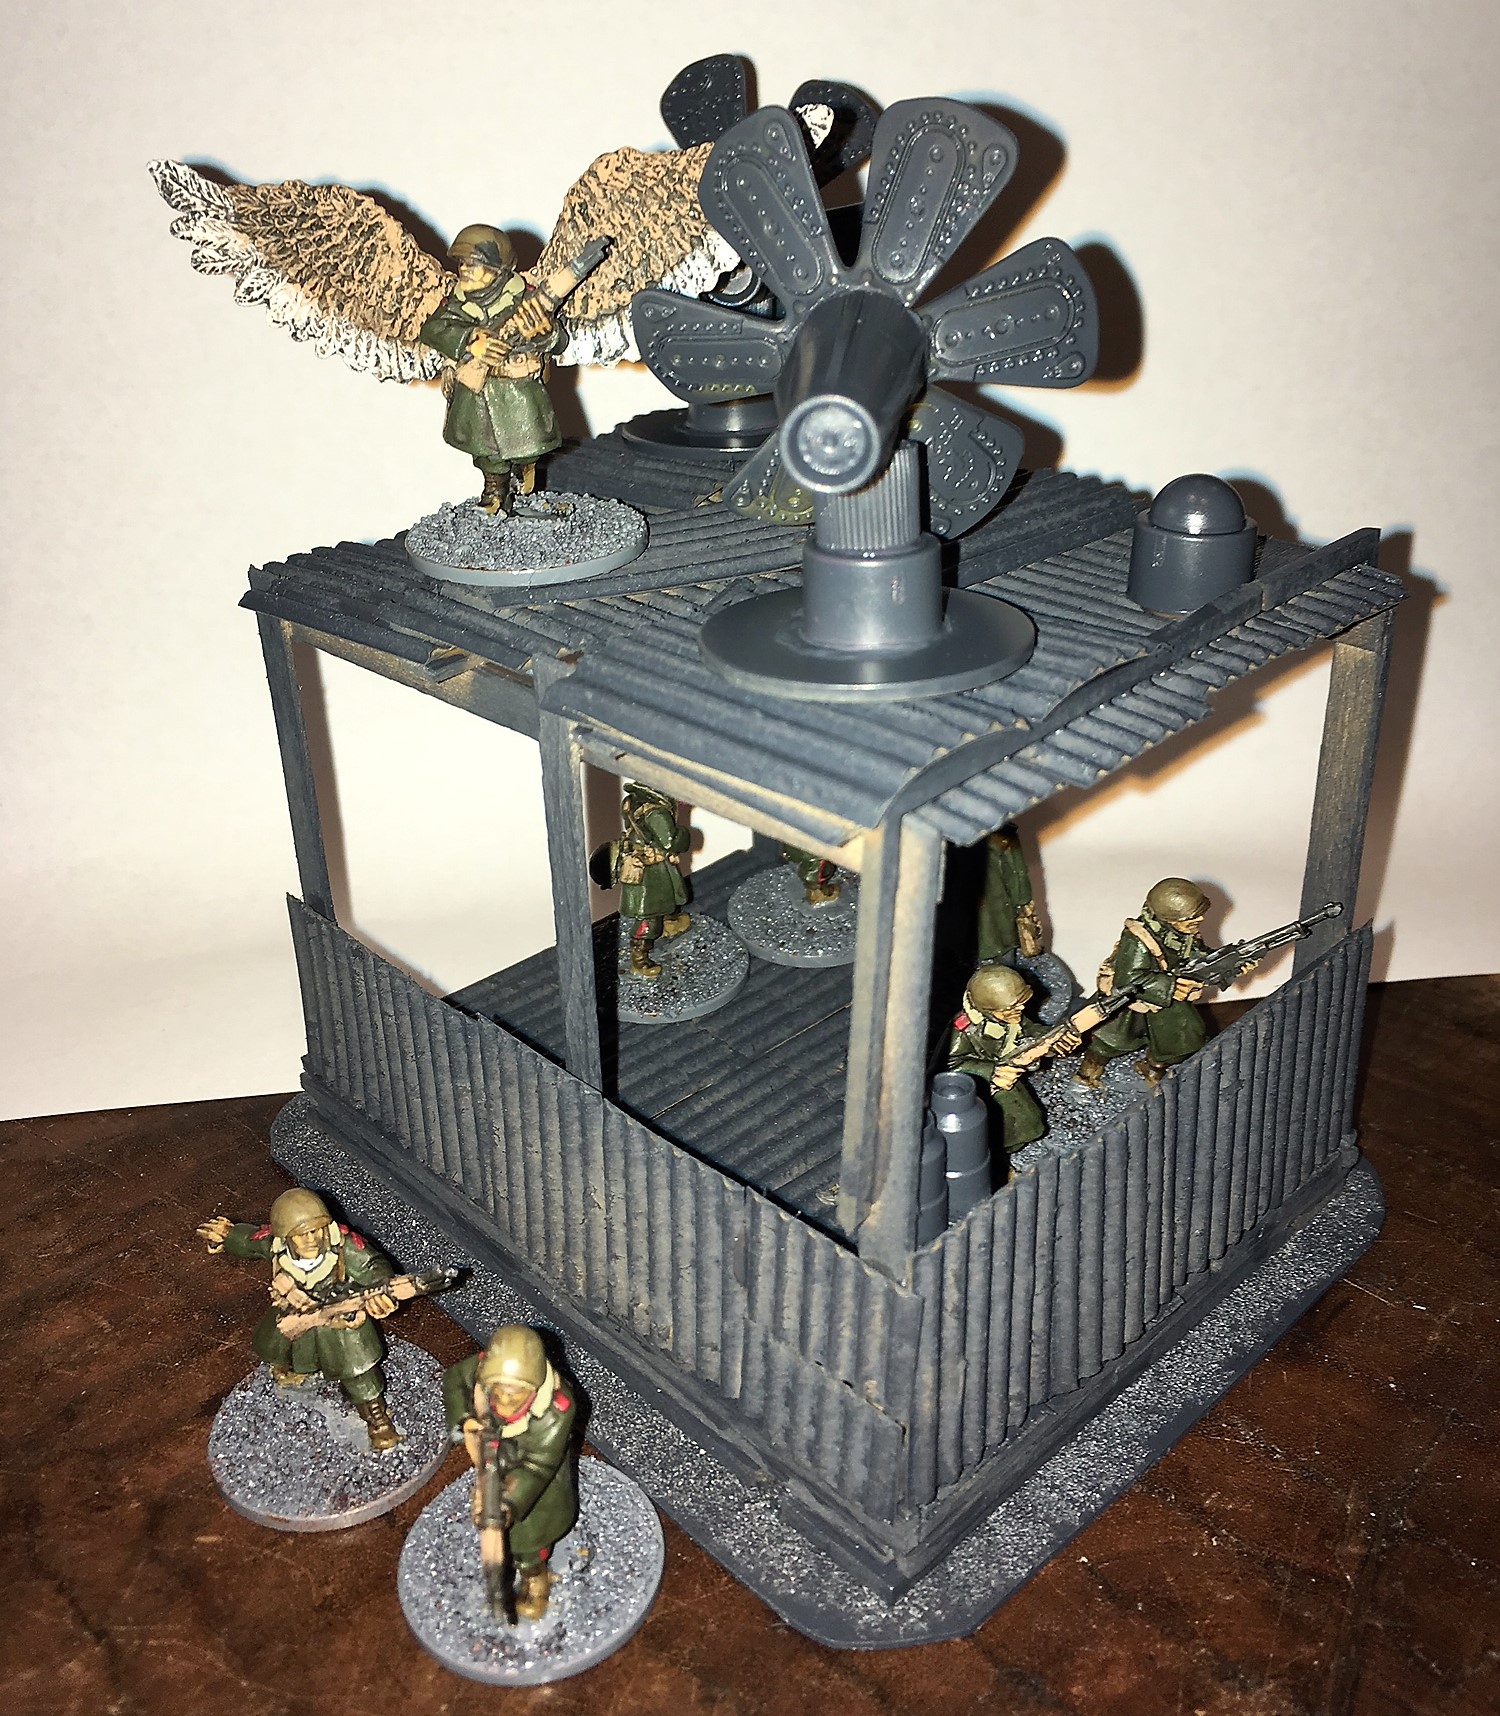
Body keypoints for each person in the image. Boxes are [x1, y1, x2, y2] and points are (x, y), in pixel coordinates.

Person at [197, 1188, 403, 1452]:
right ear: (286, 1236)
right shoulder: (277, 1246)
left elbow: (373, 1266)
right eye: (301, 1234)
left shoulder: (342, 1245)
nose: (311, 1240)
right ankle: (294, 1368)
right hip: (297, 1314)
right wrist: (227, 1236)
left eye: (316, 1231)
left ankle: (376, 1418)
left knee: (358, 1370)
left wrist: (381, 1291)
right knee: (287, 1348)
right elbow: (251, 1241)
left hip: (339, 1322)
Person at [418, 225, 565, 516]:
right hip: (478, 391)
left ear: (498, 268)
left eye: (474, 264)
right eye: (462, 263)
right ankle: (494, 492)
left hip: (518, 390)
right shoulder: (458, 303)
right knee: (486, 451)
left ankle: (524, 473)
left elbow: (559, 341)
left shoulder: (526, 299)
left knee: (527, 445)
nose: (464, 269)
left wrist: (545, 334)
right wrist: (470, 339)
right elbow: (432, 329)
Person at [444, 1325, 579, 1622]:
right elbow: (454, 1379)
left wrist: (506, 1501)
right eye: (499, 1392)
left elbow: (538, 1465)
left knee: (529, 1543)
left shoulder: (555, 1412)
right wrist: (466, 1420)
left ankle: (535, 1579)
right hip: (492, 1468)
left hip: (535, 1492)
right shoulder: (483, 1371)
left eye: (514, 1395)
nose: (504, 1402)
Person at [1075, 877, 1214, 1088]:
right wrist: (1170, 986)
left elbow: (1197, 956)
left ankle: (1152, 1067)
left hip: (1164, 999)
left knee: (1183, 1037)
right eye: (1192, 917)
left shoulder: (1185, 933)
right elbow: (1129, 979)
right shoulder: (1138, 940)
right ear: (1168, 917)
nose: (1201, 919)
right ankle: (1086, 1076)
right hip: (1130, 1001)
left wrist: (1226, 964)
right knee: (1112, 1042)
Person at [947, 964, 1079, 1152]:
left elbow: (1029, 1030)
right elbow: (951, 1064)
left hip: (1008, 1077)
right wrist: (992, 1072)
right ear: (988, 1008)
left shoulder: (1008, 1017)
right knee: (1001, 1129)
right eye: (1012, 1007)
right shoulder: (964, 1030)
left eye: (1021, 1003)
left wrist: (1052, 1039)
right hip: (984, 1087)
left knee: (1028, 1121)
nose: (1022, 1008)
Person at [976, 824, 1044, 964]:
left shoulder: (1002, 835)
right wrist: (1023, 901)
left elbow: (1018, 874)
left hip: (995, 904)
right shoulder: (1002, 835)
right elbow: (1018, 875)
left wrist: (1023, 903)